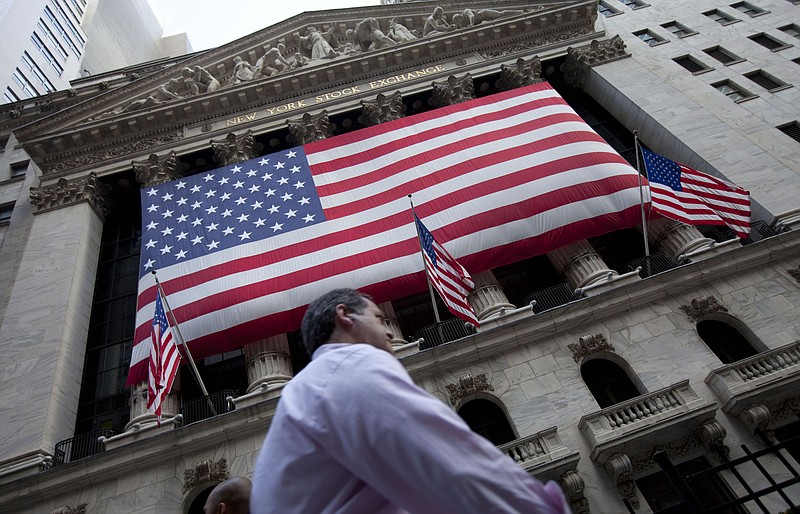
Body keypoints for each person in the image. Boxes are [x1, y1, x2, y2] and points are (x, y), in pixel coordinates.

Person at [250, 288, 570, 514]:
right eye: (379, 318)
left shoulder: (307, 389)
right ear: (345, 316)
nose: (390, 333)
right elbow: (449, 462)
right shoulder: (348, 367)